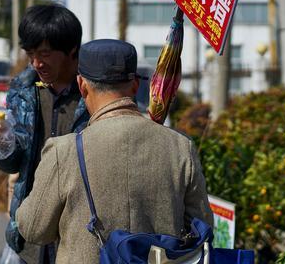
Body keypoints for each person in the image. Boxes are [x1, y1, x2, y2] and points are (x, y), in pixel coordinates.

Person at [15, 39, 213, 263]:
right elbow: (202, 226)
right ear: (136, 86)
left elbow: (33, 229)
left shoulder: (64, 150)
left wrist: (18, 190)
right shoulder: (180, 147)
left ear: (82, 86)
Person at [0, 4, 90, 264]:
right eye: (30, 53)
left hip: (77, 234)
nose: (36, 63)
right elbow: (12, 164)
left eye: (44, 53)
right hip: (29, 234)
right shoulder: (22, 91)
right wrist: (2, 143)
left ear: (72, 51)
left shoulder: (93, 94)